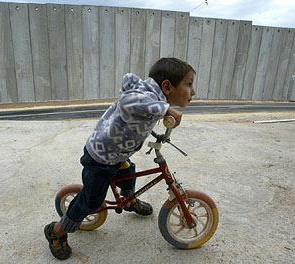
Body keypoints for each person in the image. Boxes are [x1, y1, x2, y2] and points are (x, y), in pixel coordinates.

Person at [44, 57, 196, 260]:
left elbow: (137, 121)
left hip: (117, 155)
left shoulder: (151, 99)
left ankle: (128, 200)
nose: (193, 92)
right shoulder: (143, 97)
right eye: (189, 84)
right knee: (91, 201)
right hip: (100, 159)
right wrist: (164, 109)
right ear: (167, 86)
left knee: (128, 172)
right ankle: (57, 231)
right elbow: (128, 103)